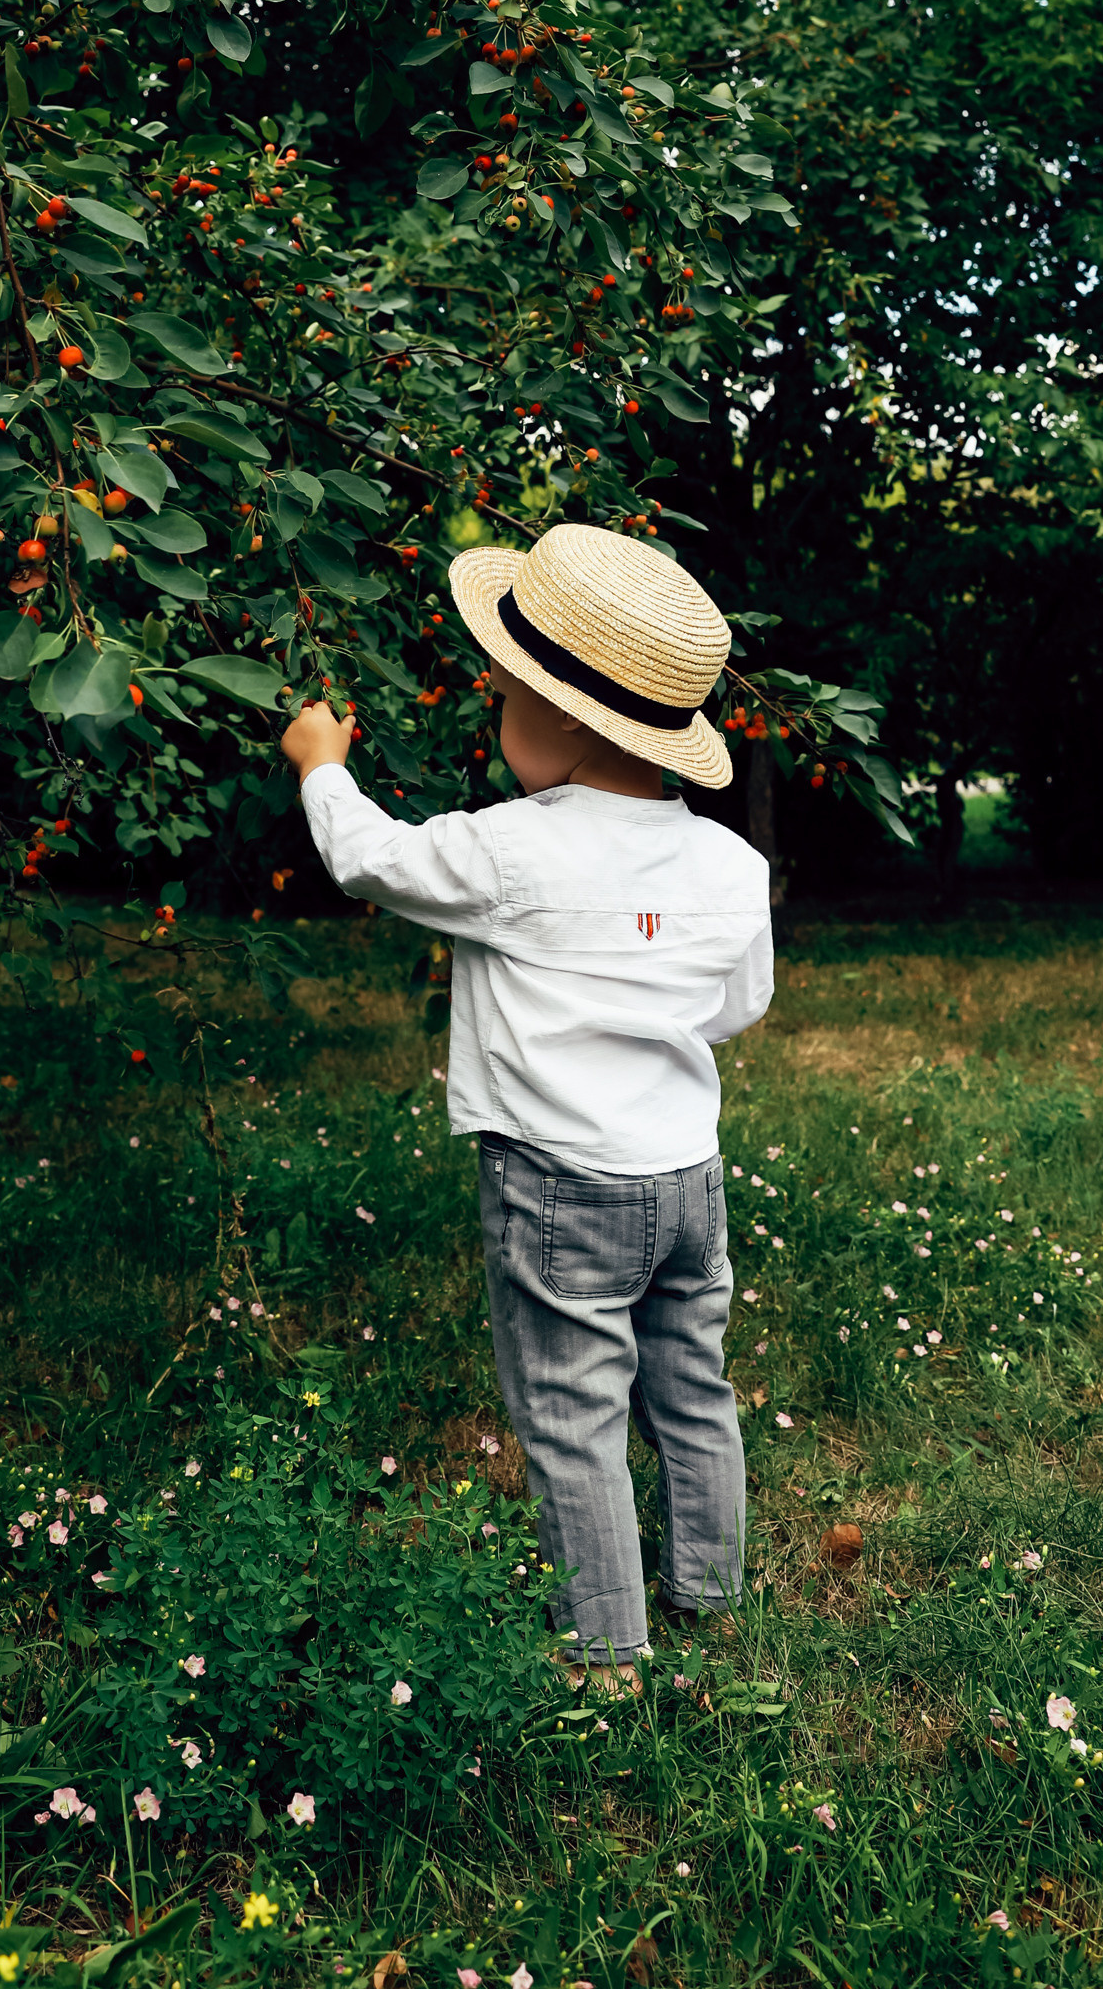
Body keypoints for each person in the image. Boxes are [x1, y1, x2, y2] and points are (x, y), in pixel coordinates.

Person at [279, 524, 772, 1687]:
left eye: (504, 695)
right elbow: (733, 1007)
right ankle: (711, 1590)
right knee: (692, 1384)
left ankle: (605, 1651)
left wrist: (319, 761)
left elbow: (369, 858)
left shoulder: (507, 854)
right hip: (685, 1173)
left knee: (575, 1410)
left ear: (554, 722)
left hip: (561, 1182)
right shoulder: (732, 867)